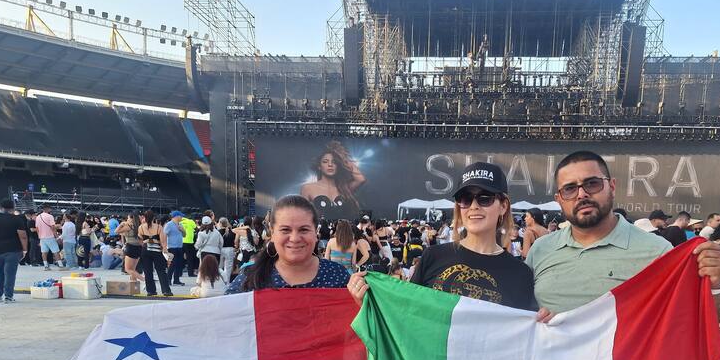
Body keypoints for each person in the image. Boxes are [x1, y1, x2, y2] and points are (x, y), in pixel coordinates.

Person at [526, 151, 720, 317]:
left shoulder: (657, 252)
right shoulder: (541, 250)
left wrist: (715, 286)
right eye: (569, 189)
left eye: (592, 184)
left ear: (612, 186)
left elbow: (691, 321)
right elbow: (522, 314)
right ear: (559, 199)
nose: (582, 194)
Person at [349, 162, 538, 311]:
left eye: (485, 198)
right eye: (465, 199)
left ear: (503, 206)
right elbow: (406, 317)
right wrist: (365, 302)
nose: (474, 206)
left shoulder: (520, 274)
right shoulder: (433, 257)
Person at [226, 195, 350, 293]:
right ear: (273, 233)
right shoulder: (248, 278)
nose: (295, 238)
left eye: (304, 229)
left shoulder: (338, 275)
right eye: (285, 230)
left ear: (315, 232)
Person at [299, 141, 366, 220]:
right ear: (319, 167)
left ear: (338, 166)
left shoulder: (344, 189)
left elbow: (361, 179)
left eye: (334, 162)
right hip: (319, 231)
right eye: (325, 161)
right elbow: (301, 216)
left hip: (342, 231)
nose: (330, 165)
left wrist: (342, 158)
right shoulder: (308, 188)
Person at [0, 199, 27, 303]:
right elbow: (23, 236)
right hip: (13, 249)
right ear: (13, 208)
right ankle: (8, 296)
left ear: (1, 207)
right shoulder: (17, 219)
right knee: (10, 273)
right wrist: (24, 249)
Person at [138, 210, 173, 297]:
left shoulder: (141, 227)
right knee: (161, 271)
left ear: (144, 218)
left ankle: (151, 291)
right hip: (157, 250)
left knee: (147, 271)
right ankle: (166, 291)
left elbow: (140, 240)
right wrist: (165, 250)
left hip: (145, 249)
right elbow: (163, 241)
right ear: (154, 217)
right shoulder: (159, 227)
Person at [116, 211, 145, 283]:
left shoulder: (129, 226)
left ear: (131, 218)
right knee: (133, 269)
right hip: (138, 248)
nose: (127, 219)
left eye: (128, 218)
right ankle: (133, 286)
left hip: (130, 247)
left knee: (128, 269)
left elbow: (116, 231)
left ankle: (145, 280)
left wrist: (121, 224)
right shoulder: (140, 226)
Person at [34, 205, 60, 270]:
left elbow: (37, 228)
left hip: (42, 237)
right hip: (50, 236)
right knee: (56, 251)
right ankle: (61, 265)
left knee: (44, 252)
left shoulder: (38, 217)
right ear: (48, 209)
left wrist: (39, 237)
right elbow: (53, 227)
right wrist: (56, 236)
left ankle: (46, 266)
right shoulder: (50, 216)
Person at [164, 211, 186, 286]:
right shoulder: (169, 224)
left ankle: (176, 280)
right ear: (177, 216)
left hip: (179, 246)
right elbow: (164, 235)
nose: (182, 217)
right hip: (172, 247)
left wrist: (182, 230)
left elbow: (184, 235)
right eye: (181, 216)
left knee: (179, 264)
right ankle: (168, 279)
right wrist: (165, 246)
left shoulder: (180, 224)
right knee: (172, 264)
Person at [217, 217, 237, 283]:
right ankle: (227, 282)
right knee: (228, 268)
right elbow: (235, 241)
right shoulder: (231, 232)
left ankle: (220, 281)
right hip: (230, 249)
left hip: (220, 249)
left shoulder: (217, 232)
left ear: (220, 223)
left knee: (219, 267)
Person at [180, 212, 198, 277]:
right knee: (190, 258)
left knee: (180, 258)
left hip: (180, 242)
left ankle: (179, 273)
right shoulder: (191, 221)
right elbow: (196, 228)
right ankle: (190, 273)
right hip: (189, 242)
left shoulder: (179, 222)